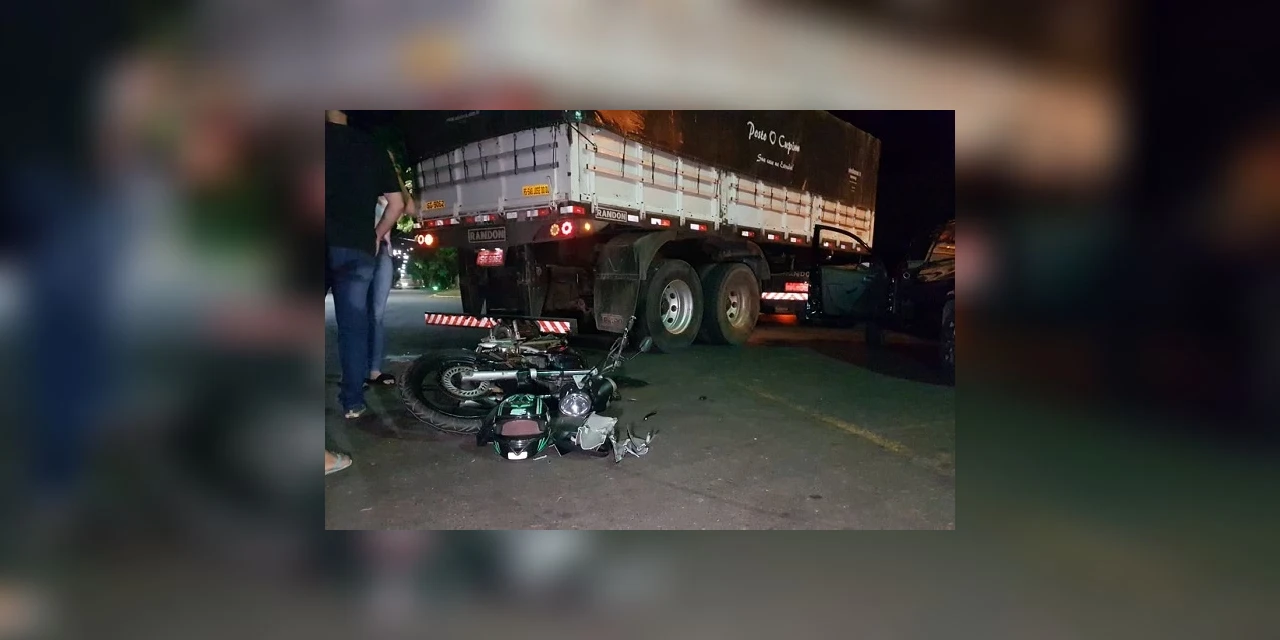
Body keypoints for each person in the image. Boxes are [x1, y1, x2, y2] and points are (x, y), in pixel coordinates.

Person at [325, 110, 403, 428]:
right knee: (353, 328)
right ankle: (353, 402)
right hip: (357, 247)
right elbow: (397, 204)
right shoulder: (370, 147)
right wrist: (377, 233)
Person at [366, 182, 413, 387]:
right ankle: (354, 372)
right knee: (355, 314)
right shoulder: (360, 190)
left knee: (376, 315)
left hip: (382, 252)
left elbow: (410, 208)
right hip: (360, 249)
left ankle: (374, 371)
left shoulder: (388, 198)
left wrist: (397, 179)